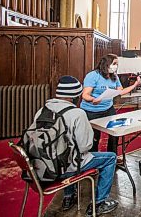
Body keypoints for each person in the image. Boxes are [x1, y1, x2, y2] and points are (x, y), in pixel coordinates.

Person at [31, 76, 118, 216]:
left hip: (42, 167)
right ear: (75, 97)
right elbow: (85, 146)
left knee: (63, 151)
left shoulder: (42, 111)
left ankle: (68, 197)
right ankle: (100, 202)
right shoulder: (77, 113)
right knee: (110, 158)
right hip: (65, 167)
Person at [81, 54, 141, 153]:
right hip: (91, 111)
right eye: (114, 63)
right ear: (106, 64)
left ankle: (112, 156)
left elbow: (120, 91)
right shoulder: (93, 75)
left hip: (108, 109)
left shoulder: (114, 76)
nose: (116, 66)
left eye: (117, 64)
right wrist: (92, 99)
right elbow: (85, 95)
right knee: (94, 137)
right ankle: (94, 158)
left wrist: (135, 84)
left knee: (114, 133)